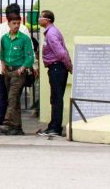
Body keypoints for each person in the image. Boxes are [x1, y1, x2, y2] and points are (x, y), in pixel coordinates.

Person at [0, 3, 35, 128]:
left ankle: (4, 123)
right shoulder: (23, 29)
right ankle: (11, 125)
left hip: (4, 70)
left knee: (5, 98)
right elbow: (30, 50)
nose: (16, 25)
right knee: (13, 99)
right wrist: (33, 67)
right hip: (13, 69)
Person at [37, 9, 72, 137]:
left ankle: (55, 128)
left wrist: (69, 66)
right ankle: (53, 126)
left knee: (56, 99)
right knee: (55, 98)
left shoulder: (51, 34)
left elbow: (61, 53)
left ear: (48, 20)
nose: (39, 19)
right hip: (56, 68)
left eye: (41, 17)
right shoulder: (51, 32)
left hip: (57, 68)